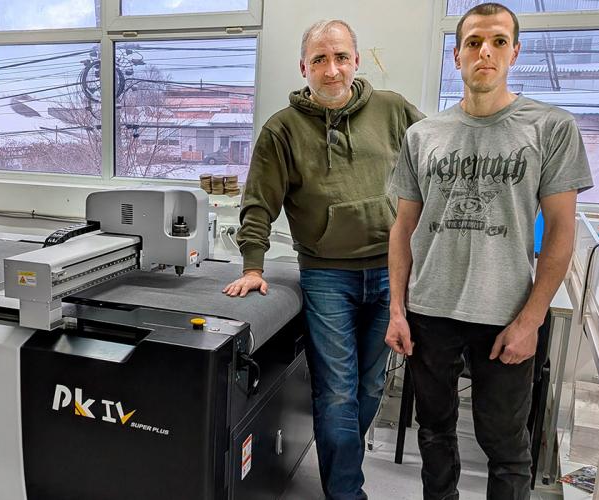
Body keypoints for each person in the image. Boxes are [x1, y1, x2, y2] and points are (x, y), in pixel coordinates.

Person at [385, 3, 594, 499]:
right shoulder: (423, 135)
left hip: (505, 314)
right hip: (430, 311)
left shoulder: (550, 128)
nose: (485, 52)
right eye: (474, 42)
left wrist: (531, 320)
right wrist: (397, 309)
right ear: (456, 54)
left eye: (498, 41)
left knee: (504, 446)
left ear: (514, 53)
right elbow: (403, 227)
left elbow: (561, 232)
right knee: (433, 433)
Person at [222, 19, 423, 499]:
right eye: (319, 60)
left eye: (340, 58)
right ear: (303, 67)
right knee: (336, 392)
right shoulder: (282, 130)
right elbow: (259, 203)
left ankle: (341, 475)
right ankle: (346, 492)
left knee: (369, 388)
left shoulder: (394, 110)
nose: (331, 70)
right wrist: (253, 266)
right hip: (327, 275)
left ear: (356, 61)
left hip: (392, 271)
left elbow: (437, 166)